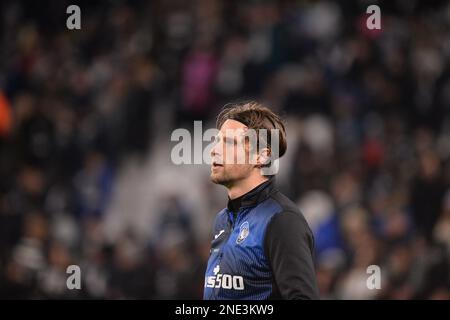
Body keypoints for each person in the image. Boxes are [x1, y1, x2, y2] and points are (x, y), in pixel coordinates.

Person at [203, 101, 319, 300]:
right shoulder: (222, 220)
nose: (214, 150)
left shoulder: (282, 220)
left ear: (261, 156)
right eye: (216, 141)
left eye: (228, 142)